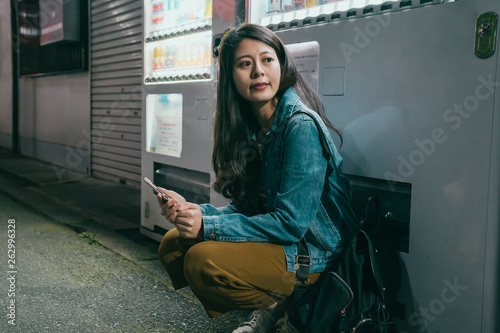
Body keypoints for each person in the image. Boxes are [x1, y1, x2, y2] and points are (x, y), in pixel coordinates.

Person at [156, 23, 358, 333]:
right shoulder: (251, 129)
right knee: (172, 245)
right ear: (230, 76)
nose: (258, 72)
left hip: (315, 253)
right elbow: (245, 208)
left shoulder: (299, 126)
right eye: (244, 64)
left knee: (202, 261)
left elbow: (290, 223)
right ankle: (279, 307)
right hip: (283, 242)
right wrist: (194, 212)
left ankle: (288, 310)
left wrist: (208, 227)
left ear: (281, 64)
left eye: (267, 60)